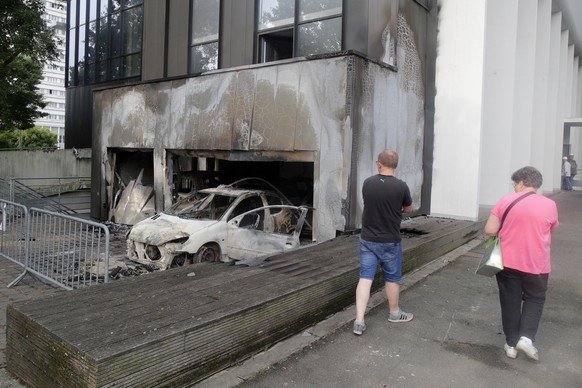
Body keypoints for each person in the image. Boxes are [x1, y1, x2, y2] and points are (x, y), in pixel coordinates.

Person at [484, 166, 558, 360]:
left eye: (515, 184)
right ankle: (526, 338)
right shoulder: (550, 205)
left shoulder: (505, 201)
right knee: (535, 298)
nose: (514, 187)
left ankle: (511, 345)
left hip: (508, 261)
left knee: (510, 301)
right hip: (537, 264)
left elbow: (490, 230)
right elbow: (549, 230)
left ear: (522, 182)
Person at [353, 149, 414, 335]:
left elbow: (370, 202)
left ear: (379, 163)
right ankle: (394, 313)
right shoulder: (401, 187)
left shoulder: (368, 183)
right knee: (393, 278)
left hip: (368, 240)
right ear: (395, 165)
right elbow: (409, 208)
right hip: (390, 241)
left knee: (365, 278)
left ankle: (359, 321)